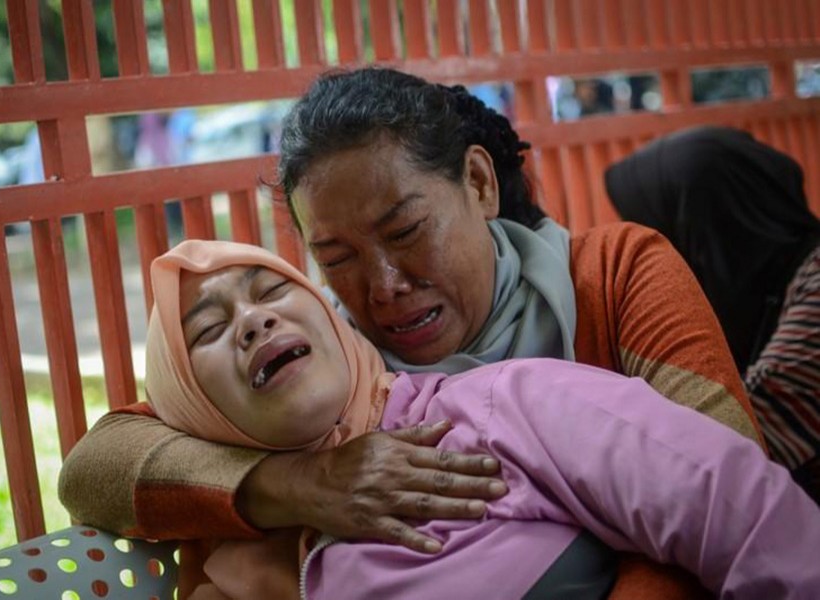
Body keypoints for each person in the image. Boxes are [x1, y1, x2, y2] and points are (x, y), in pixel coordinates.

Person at [59, 68, 763, 598]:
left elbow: (726, 488)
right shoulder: (330, 371)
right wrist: (301, 484)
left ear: (480, 184)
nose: (385, 285)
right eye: (337, 259)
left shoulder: (614, 276)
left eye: (407, 231)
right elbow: (97, 467)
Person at [146, 239, 820, 600]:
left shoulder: (498, 407)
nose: (253, 320)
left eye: (272, 290)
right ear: (188, 403)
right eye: (207, 330)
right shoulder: (222, 568)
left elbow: (742, 514)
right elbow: (96, 466)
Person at [604, 126, 820, 502]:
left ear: (712, 221)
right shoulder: (769, 287)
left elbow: (731, 442)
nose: (660, 267)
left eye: (667, 237)